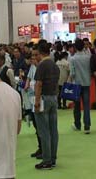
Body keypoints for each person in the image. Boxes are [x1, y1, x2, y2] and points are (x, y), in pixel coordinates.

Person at [33, 41, 60, 170]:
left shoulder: (41, 66)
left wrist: (37, 101)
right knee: (53, 130)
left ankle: (47, 160)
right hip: (53, 97)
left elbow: (38, 84)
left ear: (40, 53)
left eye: (36, 54)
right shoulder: (55, 65)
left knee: (43, 131)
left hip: (43, 98)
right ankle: (53, 158)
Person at [69, 38, 92, 134]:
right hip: (86, 83)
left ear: (75, 47)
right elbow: (91, 70)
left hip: (76, 84)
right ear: (83, 46)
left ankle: (77, 125)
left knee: (77, 106)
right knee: (86, 106)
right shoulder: (88, 57)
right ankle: (87, 126)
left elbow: (72, 73)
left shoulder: (73, 59)